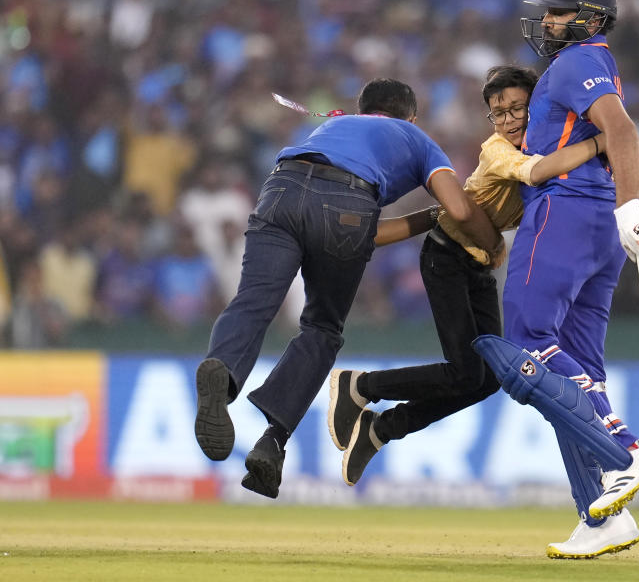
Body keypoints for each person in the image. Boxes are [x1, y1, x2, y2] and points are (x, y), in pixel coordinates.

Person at [193, 78, 503, 499]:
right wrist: (491, 243)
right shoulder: (415, 136)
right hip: (348, 208)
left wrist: (425, 218)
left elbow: (353, 225)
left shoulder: (330, 129)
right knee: (321, 329)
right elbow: (459, 208)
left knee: (252, 302)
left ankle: (222, 370)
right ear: (410, 116)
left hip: (281, 188)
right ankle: (273, 440)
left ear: (363, 108)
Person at [327, 65, 606, 486]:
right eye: (499, 112)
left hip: (475, 264)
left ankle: (380, 429)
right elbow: (534, 174)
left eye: (517, 108)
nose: (509, 119)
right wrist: (604, 139)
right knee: (465, 373)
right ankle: (362, 385)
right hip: (448, 257)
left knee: (488, 379)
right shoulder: (498, 150)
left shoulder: (541, 144)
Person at [474, 0, 639, 559]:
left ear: (588, 17)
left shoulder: (576, 61)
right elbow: (613, 137)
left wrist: (629, 208)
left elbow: (624, 133)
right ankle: (601, 515)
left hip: (564, 213)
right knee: (577, 367)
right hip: (594, 227)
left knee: (528, 340)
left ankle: (626, 452)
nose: (548, 20)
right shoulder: (592, 65)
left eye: (558, 11)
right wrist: (624, 216)